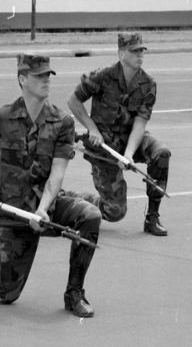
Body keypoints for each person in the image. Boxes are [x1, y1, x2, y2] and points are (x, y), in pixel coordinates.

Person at [0, 54, 103, 317]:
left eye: (47, 75)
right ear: (22, 79)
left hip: (46, 203)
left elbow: (57, 174)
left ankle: (74, 292)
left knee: (89, 215)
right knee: (5, 293)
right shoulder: (0, 117)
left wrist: (42, 210)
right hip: (10, 209)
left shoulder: (62, 122)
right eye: (39, 76)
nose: (45, 80)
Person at [66, 31, 172, 235]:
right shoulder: (102, 76)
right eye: (134, 51)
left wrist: (130, 154)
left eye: (142, 51)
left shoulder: (148, 84)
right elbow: (73, 101)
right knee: (114, 212)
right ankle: (73, 202)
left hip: (130, 139)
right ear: (121, 53)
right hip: (103, 146)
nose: (139, 55)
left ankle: (152, 217)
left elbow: (140, 123)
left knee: (161, 153)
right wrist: (92, 129)